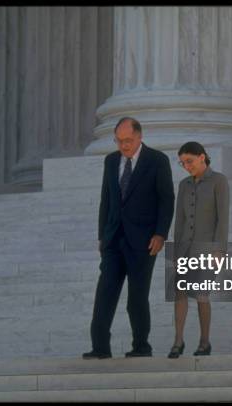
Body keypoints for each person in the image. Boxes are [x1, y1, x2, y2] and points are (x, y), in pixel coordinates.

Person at [83, 117, 175, 359]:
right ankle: (100, 347)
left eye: (128, 141)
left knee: (137, 296)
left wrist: (161, 234)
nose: (123, 146)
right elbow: (107, 199)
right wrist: (102, 235)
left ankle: (141, 346)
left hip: (144, 241)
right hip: (114, 240)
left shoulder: (157, 161)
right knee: (105, 293)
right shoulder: (111, 161)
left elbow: (167, 200)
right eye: (119, 141)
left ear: (139, 137)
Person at [168, 141, 229, 358]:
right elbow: (180, 220)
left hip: (207, 249)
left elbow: (223, 218)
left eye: (189, 161)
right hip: (185, 248)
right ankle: (178, 340)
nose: (186, 166)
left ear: (202, 157)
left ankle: (204, 342)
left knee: (202, 295)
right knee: (180, 293)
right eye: (183, 163)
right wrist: (175, 254)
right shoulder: (184, 184)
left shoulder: (219, 181)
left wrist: (220, 250)